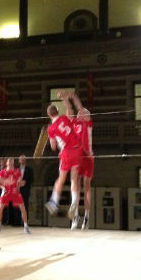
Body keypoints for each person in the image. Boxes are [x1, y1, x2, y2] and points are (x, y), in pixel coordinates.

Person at [44, 91, 83, 223]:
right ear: (57, 111)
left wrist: (51, 137)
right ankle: (74, 202)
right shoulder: (65, 118)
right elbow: (70, 109)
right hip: (77, 149)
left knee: (61, 179)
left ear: (49, 115)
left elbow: (53, 147)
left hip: (66, 152)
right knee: (74, 180)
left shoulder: (51, 128)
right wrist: (64, 98)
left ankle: (54, 202)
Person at [71, 92, 94, 230]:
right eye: (79, 112)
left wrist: (74, 97)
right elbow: (70, 112)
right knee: (75, 185)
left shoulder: (88, 123)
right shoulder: (74, 122)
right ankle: (75, 216)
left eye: (83, 112)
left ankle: (86, 215)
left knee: (86, 186)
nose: (79, 113)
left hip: (88, 157)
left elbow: (80, 107)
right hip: (76, 157)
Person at [0, 157, 31, 235]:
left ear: (13, 163)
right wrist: (3, 188)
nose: (11, 162)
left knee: (23, 208)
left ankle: (26, 226)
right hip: (6, 192)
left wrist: (21, 184)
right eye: (9, 161)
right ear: (6, 163)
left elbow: (20, 182)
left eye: (12, 161)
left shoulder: (17, 171)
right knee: (0, 208)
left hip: (15, 192)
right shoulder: (2, 172)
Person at [17, 154, 34, 224]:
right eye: (21, 159)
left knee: (25, 205)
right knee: (16, 205)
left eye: (24, 159)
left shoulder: (29, 169)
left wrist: (25, 182)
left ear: (26, 160)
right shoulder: (16, 169)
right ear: (19, 161)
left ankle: (25, 222)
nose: (22, 160)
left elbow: (32, 179)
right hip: (17, 190)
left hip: (25, 190)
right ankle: (17, 221)